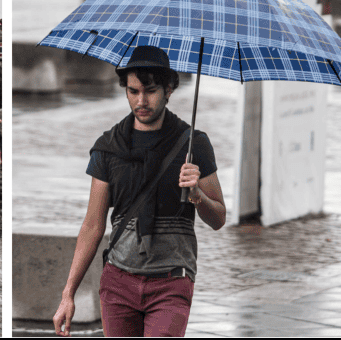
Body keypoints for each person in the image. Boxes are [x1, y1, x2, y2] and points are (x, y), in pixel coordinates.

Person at [52, 46, 226, 337]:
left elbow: (218, 218)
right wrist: (68, 294)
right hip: (118, 283)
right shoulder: (108, 147)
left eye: (151, 90)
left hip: (171, 282)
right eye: (133, 91)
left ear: (169, 88)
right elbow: (93, 225)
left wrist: (197, 195)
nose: (141, 100)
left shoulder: (194, 145)